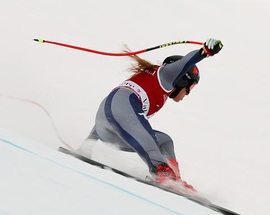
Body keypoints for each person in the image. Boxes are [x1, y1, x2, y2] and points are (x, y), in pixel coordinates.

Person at [78, 38, 223, 189]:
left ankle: (174, 178)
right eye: (190, 88)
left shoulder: (153, 82)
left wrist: (86, 147)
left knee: (165, 141)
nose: (187, 94)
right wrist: (205, 52)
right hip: (119, 111)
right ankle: (163, 173)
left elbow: (112, 115)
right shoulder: (165, 75)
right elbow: (185, 63)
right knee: (145, 133)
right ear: (182, 79)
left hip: (108, 129)